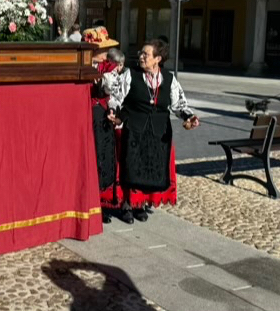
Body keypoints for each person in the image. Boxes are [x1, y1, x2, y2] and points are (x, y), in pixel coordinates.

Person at [107, 39, 200, 224]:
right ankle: (126, 205)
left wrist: (189, 117)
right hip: (135, 128)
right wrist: (113, 111)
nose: (141, 57)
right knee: (131, 167)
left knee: (149, 169)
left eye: (146, 54)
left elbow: (179, 104)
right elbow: (116, 97)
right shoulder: (131, 74)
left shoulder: (169, 79)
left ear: (157, 59)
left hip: (158, 131)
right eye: (141, 53)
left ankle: (140, 204)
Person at [81, 27, 120, 224]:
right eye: (103, 49)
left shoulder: (108, 68)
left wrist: (113, 109)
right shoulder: (80, 66)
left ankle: (100, 203)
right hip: (83, 117)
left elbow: (113, 93)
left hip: (102, 117)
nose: (106, 52)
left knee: (102, 157)